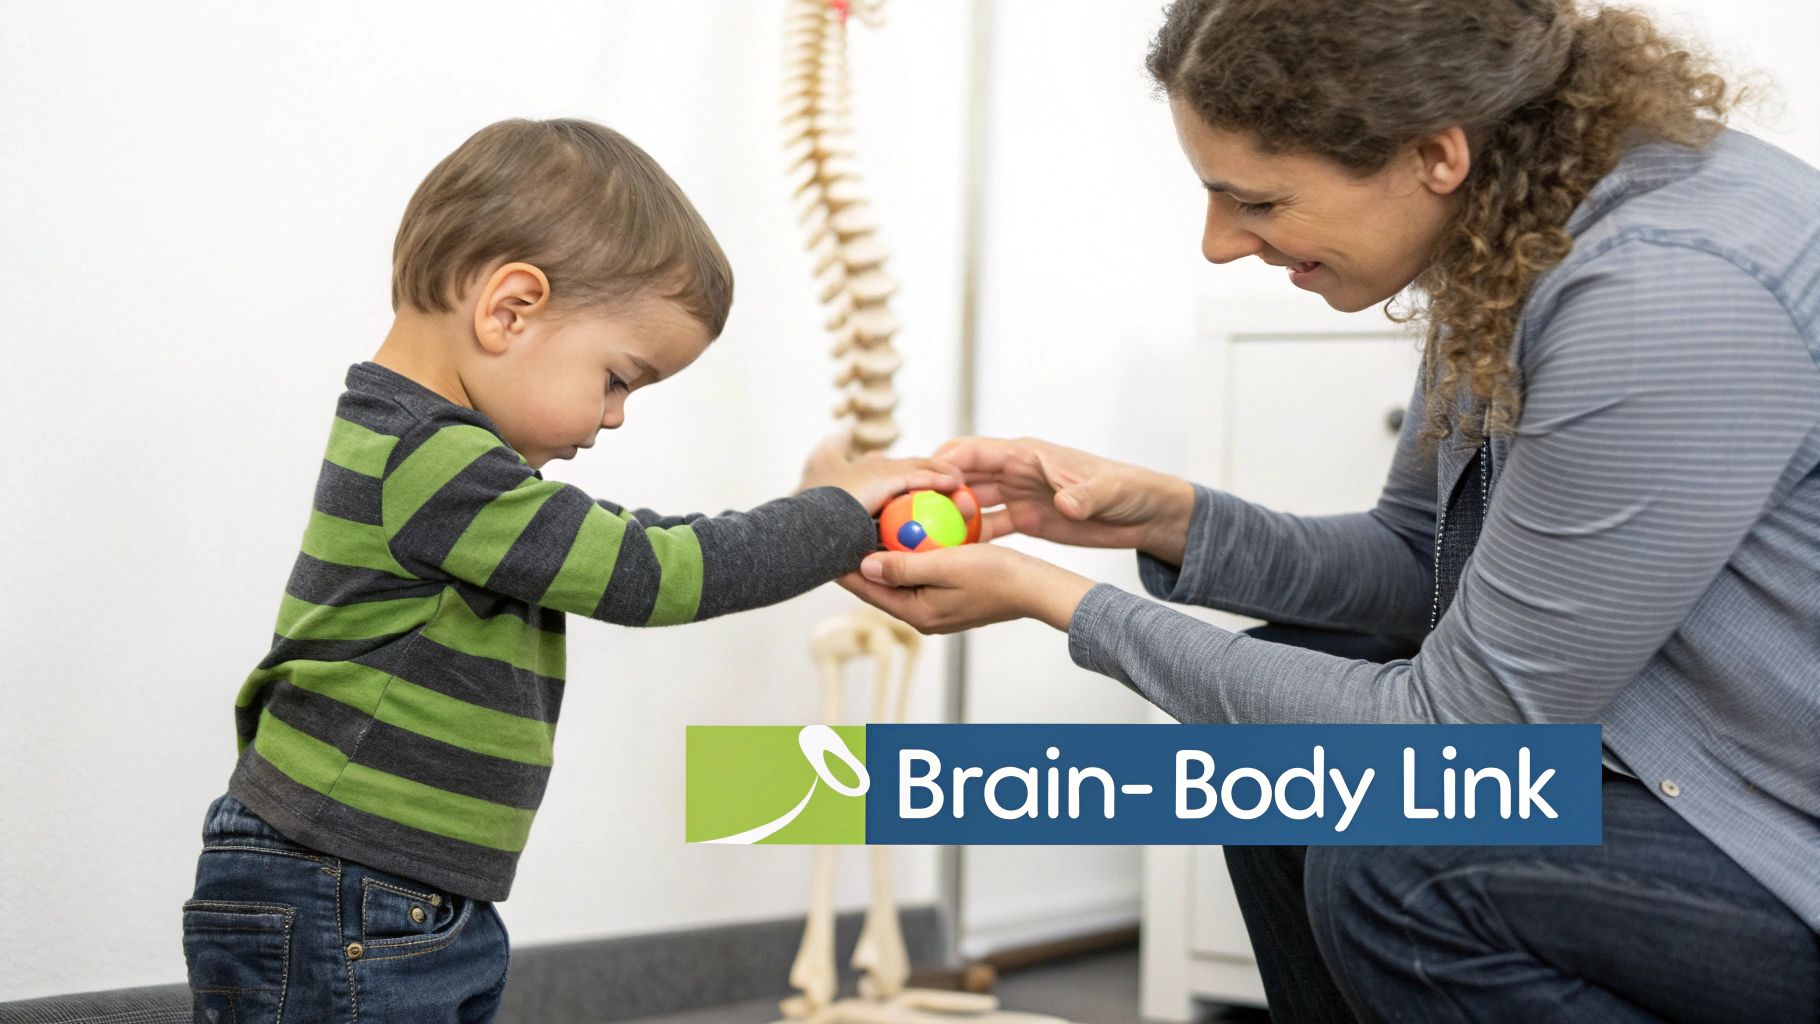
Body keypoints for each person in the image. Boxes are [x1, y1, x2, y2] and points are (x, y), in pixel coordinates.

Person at [843, 1, 1820, 1020]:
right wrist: (1157, 518)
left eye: (1254, 199)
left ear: (1431, 154)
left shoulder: (1659, 295)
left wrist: (1060, 605)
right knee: (1277, 749)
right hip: (1685, 768)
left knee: (1405, 857)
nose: (1219, 242)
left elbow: (1458, 739)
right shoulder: (1518, 229)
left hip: (1773, 833)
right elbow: (1418, 563)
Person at [181, 117, 959, 1023]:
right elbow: (649, 573)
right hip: (347, 888)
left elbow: (629, 539)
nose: (616, 416)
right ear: (510, 308)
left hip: (391, 889)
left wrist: (806, 519)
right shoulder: (431, 461)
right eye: (619, 378)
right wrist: (831, 518)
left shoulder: (439, 458)